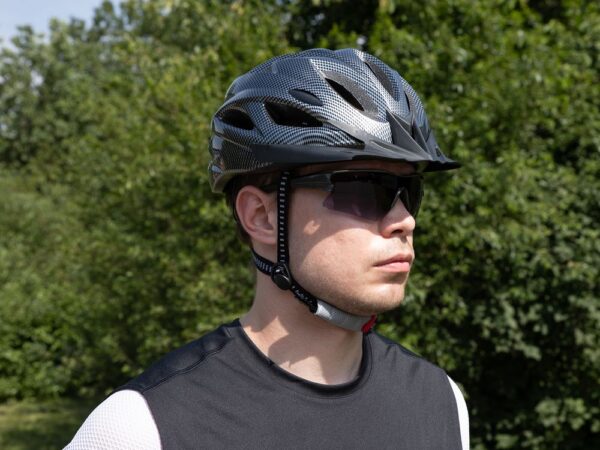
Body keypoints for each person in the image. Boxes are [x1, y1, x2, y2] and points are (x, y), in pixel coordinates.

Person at [66, 48, 469, 449]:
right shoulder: (139, 428)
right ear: (260, 216)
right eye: (365, 191)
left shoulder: (440, 401)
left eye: (409, 192)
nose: (405, 220)